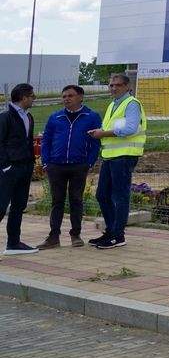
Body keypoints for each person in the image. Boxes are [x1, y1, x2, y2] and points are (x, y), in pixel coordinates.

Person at [87, 73, 148, 249]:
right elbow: (113, 128)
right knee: (102, 195)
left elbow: (130, 128)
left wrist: (103, 134)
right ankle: (111, 230)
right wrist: (100, 131)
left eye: (118, 85)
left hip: (124, 156)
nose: (113, 88)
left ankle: (117, 235)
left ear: (128, 87)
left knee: (120, 196)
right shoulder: (113, 104)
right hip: (110, 156)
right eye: (111, 85)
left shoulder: (131, 104)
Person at [39, 84, 102, 248]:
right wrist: (46, 161)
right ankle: (53, 237)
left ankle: (76, 235)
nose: (67, 99)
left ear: (80, 97)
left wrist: (89, 162)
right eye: (64, 96)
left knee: (76, 200)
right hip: (56, 165)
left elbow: (96, 142)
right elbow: (46, 140)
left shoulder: (91, 116)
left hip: (79, 165)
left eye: (70, 96)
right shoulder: (55, 117)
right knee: (56, 201)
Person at [1, 84, 38, 254]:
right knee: (1, 206)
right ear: (23, 97)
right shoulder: (5, 117)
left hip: (25, 167)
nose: (33, 99)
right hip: (9, 169)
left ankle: (13, 243)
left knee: (19, 205)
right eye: (32, 96)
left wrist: (31, 163)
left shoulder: (28, 117)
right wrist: (5, 166)